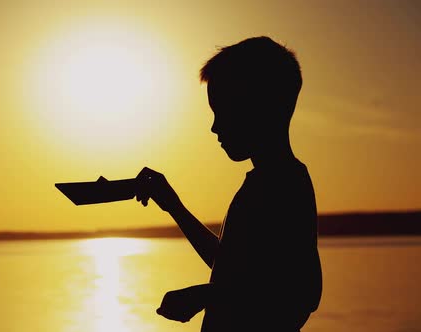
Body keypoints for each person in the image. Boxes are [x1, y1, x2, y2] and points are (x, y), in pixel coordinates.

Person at [135, 36, 322, 331]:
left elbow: (304, 293)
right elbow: (232, 272)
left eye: (222, 111)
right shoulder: (266, 183)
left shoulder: (284, 186)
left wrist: (204, 294)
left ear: (259, 108)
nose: (215, 126)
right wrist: (174, 207)